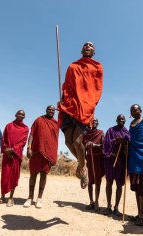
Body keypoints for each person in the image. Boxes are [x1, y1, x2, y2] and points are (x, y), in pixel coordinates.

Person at [57, 42, 103, 189]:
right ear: (82, 49)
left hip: (85, 107)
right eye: (85, 45)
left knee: (77, 142)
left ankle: (83, 168)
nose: (88, 46)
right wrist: (64, 96)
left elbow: (95, 89)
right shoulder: (73, 66)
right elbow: (67, 86)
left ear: (94, 52)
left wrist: (89, 103)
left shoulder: (97, 67)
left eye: (91, 45)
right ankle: (83, 163)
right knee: (68, 142)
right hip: (70, 106)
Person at [24, 105, 59, 209]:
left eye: (53, 110)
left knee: (44, 175)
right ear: (46, 110)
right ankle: (30, 198)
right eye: (49, 109)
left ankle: (39, 198)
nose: (51, 111)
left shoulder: (56, 123)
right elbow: (32, 134)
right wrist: (29, 147)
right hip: (36, 151)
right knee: (33, 174)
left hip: (48, 153)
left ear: (54, 112)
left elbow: (55, 139)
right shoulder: (39, 120)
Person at [0, 110, 28, 207]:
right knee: (4, 176)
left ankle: (11, 198)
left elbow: (23, 142)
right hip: (7, 154)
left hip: (16, 155)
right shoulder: (9, 125)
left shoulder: (25, 128)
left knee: (14, 176)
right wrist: (6, 150)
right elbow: (4, 138)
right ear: (15, 114)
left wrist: (13, 149)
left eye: (22, 114)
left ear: (24, 117)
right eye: (19, 113)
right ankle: (2, 197)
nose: (20, 115)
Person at [102, 114, 130, 216]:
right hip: (110, 160)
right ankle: (108, 206)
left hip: (121, 161)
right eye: (119, 119)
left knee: (119, 184)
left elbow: (130, 143)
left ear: (125, 120)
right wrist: (115, 140)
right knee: (109, 182)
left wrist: (125, 144)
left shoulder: (127, 132)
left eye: (123, 119)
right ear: (116, 120)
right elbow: (105, 143)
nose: (121, 120)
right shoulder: (110, 130)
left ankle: (116, 208)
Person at [82, 118, 104, 211]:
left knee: (97, 181)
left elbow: (104, 146)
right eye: (92, 121)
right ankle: (91, 202)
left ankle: (97, 202)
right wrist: (86, 145)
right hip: (89, 159)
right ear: (90, 123)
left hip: (98, 159)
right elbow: (82, 146)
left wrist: (95, 145)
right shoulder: (86, 134)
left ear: (98, 123)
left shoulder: (101, 133)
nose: (94, 122)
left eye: (96, 121)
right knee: (90, 181)